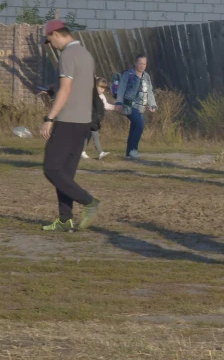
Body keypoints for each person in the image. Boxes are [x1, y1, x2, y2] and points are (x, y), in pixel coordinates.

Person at [39, 20, 103, 232]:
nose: (52, 46)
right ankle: (65, 219)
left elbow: (66, 91)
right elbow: (76, 88)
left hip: (67, 121)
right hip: (83, 123)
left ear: (56, 34)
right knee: (65, 174)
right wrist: (54, 89)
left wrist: (49, 118)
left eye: (50, 40)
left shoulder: (67, 55)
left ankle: (89, 202)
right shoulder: (86, 54)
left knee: (51, 168)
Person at [115, 55, 157, 160]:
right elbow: (121, 88)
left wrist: (152, 104)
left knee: (134, 128)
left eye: (144, 64)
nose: (142, 66)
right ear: (135, 63)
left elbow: (149, 91)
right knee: (140, 125)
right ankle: (134, 150)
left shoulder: (146, 76)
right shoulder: (128, 74)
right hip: (130, 105)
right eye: (140, 63)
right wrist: (119, 102)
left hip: (141, 106)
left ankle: (129, 153)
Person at [82, 77, 114, 160]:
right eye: (101, 87)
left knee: (88, 135)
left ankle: (82, 151)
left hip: (95, 120)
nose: (102, 90)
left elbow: (106, 105)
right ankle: (100, 152)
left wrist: (115, 107)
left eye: (104, 88)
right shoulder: (90, 95)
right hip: (90, 119)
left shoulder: (102, 97)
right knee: (94, 135)